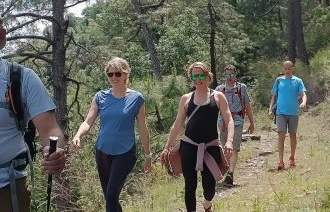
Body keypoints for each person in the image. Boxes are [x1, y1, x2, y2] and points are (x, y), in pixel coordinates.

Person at [0, 19, 66, 211]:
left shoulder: (21, 79)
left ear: (1, 37)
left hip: (8, 189)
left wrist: (56, 151)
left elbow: (51, 129)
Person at [71, 57, 152, 212]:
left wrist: (148, 156)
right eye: (110, 74)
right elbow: (88, 121)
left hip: (125, 153)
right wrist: (78, 136)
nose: (114, 77)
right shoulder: (100, 97)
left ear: (126, 74)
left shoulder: (136, 98)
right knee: (110, 197)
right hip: (102, 152)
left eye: (118, 74)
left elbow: (143, 127)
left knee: (111, 194)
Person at [160, 62, 234, 212]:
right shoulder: (186, 98)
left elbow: (229, 119)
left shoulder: (218, 96)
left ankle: (207, 205)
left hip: (210, 146)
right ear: (191, 77)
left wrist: (230, 141)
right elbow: (177, 125)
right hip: (189, 146)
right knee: (190, 185)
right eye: (194, 76)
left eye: (201, 75)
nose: (198, 79)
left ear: (208, 77)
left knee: (209, 187)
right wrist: (167, 147)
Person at [215, 64, 255, 187]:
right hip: (223, 122)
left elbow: (247, 105)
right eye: (227, 74)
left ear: (235, 74)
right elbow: (214, 108)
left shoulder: (241, 88)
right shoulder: (219, 89)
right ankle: (227, 172)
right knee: (224, 147)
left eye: (232, 74)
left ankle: (231, 173)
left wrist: (252, 122)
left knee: (234, 147)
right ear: (224, 75)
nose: (229, 76)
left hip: (237, 120)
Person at [268, 61, 307, 170]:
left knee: (292, 135)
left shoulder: (297, 81)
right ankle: (280, 161)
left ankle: (292, 157)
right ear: (283, 69)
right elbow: (273, 96)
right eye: (285, 68)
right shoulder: (279, 81)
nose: (287, 70)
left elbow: (303, 94)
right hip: (280, 112)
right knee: (281, 134)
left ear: (292, 68)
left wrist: (303, 102)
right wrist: (270, 108)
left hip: (293, 112)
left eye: (289, 68)